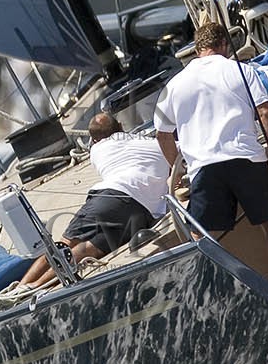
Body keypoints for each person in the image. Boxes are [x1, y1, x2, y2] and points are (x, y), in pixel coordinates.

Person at [154, 20, 268, 290]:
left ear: (198, 49)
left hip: (204, 168)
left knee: (201, 237)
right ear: (223, 45)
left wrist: (181, 171)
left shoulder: (174, 85)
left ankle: (229, 291)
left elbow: (162, 135)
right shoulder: (241, 71)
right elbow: (265, 114)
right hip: (246, 160)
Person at [19, 113, 169, 287]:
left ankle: (25, 287)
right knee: (87, 249)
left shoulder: (96, 151)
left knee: (65, 244)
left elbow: (101, 140)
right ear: (120, 126)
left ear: (93, 139)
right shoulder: (153, 144)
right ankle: (38, 286)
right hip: (141, 212)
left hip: (108, 198)